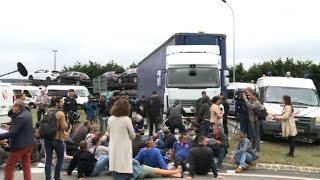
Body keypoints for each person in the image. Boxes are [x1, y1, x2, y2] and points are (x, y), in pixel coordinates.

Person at [0, 100, 34, 180]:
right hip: (29, 144)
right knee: (26, 167)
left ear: (18, 107)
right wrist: (10, 126)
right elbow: (22, 127)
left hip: (19, 146)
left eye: (13, 106)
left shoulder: (20, 117)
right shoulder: (27, 113)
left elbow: (13, 133)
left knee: (9, 167)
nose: (12, 108)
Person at [108, 99, 136, 179]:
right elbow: (132, 135)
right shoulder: (126, 119)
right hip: (124, 148)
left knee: (115, 170)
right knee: (122, 169)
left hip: (113, 147)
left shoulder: (110, 119)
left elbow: (109, 133)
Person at [45, 96, 69, 180]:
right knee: (60, 158)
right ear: (56, 103)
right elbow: (64, 127)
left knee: (48, 160)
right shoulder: (60, 113)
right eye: (61, 102)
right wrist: (67, 120)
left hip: (47, 138)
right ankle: (57, 177)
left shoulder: (48, 112)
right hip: (57, 139)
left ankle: (48, 178)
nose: (63, 103)